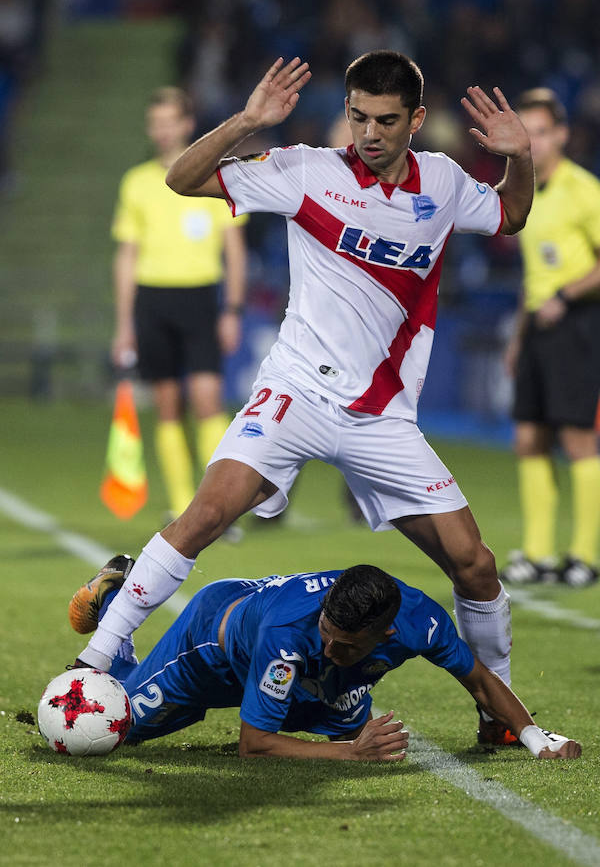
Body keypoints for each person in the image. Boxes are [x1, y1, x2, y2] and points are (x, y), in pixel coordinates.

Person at [74, 52, 535, 746]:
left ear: (416, 119)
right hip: (296, 394)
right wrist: (249, 121)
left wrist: (520, 157)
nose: (370, 133)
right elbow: (182, 178)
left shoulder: (441, 182)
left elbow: (511, 214)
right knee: (204, 514)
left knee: (474, 563)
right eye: (357, 117)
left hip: (381, 416)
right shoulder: (304, 171)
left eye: (385, 120)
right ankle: (93, 661)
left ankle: (498, 717)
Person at [69, 560, 580, 761]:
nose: (330, 648)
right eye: (327, 635)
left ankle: (340, 704)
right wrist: (352, 754)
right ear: (326, 608)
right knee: (118, 730)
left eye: (346, 645)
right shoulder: (289, 638)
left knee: (344, 714)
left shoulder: (420, 621)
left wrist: (538, 739)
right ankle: (117, 601)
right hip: (213, 647)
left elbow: (479, 679)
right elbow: (255, 746)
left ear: (385, 633)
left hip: (320, 685)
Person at [111, 86, 248, 522]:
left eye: (170, 120)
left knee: (207, 401)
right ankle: (182, 504)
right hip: (152, 300)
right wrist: (124, 323)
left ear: (188, 125)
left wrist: (233, 308)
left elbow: (235, 249)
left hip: (200, 298)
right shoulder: (136, 182)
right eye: (156, 122)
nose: (162, 130)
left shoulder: (211, 176)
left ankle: (218, 508)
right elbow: (126, 255)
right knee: (168, 406)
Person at [501, 88, 600, 588]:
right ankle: (538, 553)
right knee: (528, 438)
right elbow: (530, 277)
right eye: (526, 133)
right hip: (539, 324)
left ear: (561, 134)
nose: (533, 143)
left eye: (541, 132)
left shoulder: (585, 190)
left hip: (578, 324)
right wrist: (518, 339)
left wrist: (567, 292)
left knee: (579, 439)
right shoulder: (528, 192)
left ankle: (584, 555)